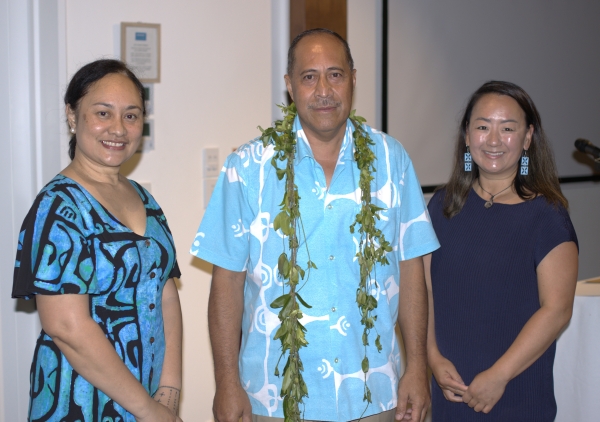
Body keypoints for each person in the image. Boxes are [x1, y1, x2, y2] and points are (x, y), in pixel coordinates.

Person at [191, 28, 439, 422]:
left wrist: (417, 369)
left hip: (375, 394)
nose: (324, 90)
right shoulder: (248, 168)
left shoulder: (391, 160)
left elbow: (411, 270)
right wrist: (226, 383)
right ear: (290, 86)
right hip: (274, 400)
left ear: (353, 79)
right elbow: (226, 281)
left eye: (335, 74)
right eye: (309, 77)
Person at [12, 59, 183, 422]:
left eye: (131, 116)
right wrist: (148, 409)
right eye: (103, 113)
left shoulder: (145, 199)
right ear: (73, 116)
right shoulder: (57, 206)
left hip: (149, 402)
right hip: (80, 403)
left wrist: (168, 394)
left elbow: (165, 294)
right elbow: (67, 327)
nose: (118, 129)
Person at [425, 81, 578, 421]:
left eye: (507, 128)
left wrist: (499, 375)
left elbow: (557, 310)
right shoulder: (441, 206)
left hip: (515, 395)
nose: (493, 140)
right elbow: (426, 292)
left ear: (527, 139)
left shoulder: (547, 216)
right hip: (450, 394)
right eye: (482, 127)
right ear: (467, 135)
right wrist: (432, 357)